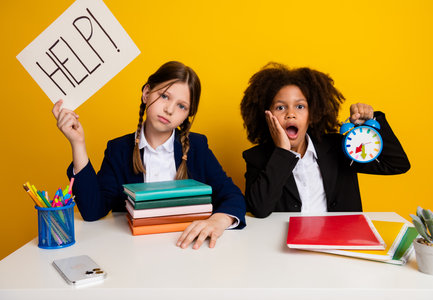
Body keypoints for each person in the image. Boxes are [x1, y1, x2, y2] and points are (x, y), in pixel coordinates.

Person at [52, 61, 246, 249]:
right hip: (134, 253)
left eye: (181, 106)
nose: (169, 109)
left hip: (186, 250)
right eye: (164, 96)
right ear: (146, 93)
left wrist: (218, 221)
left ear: (187, 114)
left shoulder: (197, 147)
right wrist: (78, 143)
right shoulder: (119, 150)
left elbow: (233, 196)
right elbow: (93, 210)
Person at [240, 62, 410, 218]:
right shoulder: (257, 158)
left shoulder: (340, 148)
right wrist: (283, 152)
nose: (290, 114)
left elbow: (395, 163)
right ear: (267, 116)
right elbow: (259, 209)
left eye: (300, 106)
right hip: (287, 247)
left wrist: (370, 125)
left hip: (339, 244)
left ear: (312, 114)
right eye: (280, 107)